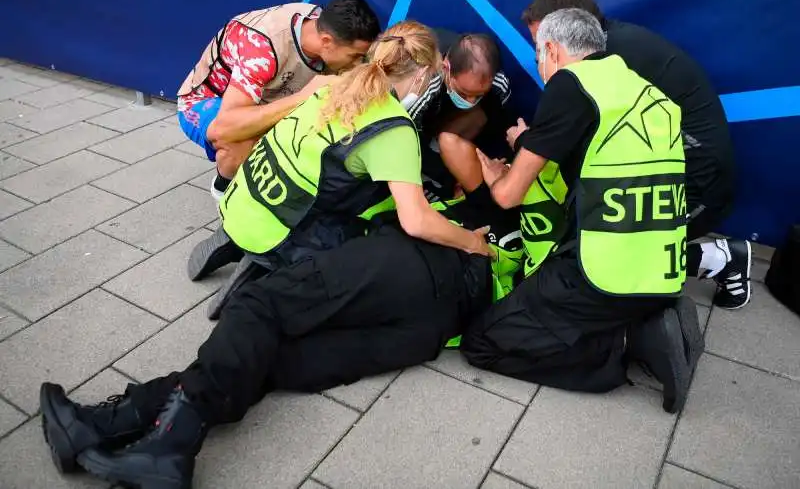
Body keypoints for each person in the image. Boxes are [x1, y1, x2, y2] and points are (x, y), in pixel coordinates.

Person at [38, 199, 517, 489]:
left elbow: (433, 200)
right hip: (437, 327)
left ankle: (163, 447)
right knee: (270, 361)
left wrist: (490, 182)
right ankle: (115, 425)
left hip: (425, 264)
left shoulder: (498, 183)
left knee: (259, 303)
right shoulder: (562, 230)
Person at [461, 8, 705, 414]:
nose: (540, 66)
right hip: (661, 270)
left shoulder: (571, 86)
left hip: (604, 277)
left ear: (552, 50)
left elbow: (508, 196)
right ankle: (646, 317)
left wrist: (492, 176)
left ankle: (629, 342)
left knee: (482, 341)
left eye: (539, 55)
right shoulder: (644, 91)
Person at [188, 21, 493, 317]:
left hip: (244, 198)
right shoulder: (393, 130)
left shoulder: (333, 85)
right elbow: (417, 221)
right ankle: (263, 282)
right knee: (387, 250)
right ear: (421, 74)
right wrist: (472, 242)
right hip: (282, 232)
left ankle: (239, 237)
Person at [520, 0, 751, 310]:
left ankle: (718, 258)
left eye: (544, 46)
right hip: (685, 163)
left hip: (697, 178)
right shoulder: (611, 47)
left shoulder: (609, 60)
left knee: (611, 254)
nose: (541, 57)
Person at [176, 0, 381, 199]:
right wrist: (303, 97)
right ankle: (226, 192)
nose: (358, 64)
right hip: (207, 101)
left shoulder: (322, 26)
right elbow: (223, 128)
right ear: (326, 41)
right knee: (240, 141)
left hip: (266, 99)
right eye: (354, 57)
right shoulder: (261, 46)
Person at [407, 31, 515, 205]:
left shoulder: (499, 84)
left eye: (479, 95)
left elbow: (505, 127)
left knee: (478, 116)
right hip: (420, 140)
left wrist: (501, 165)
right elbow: (408, 144)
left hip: (459, 133)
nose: (471, 101)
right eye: (463, 93)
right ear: (446, 68)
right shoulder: (425, 83)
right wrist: (449, 178)